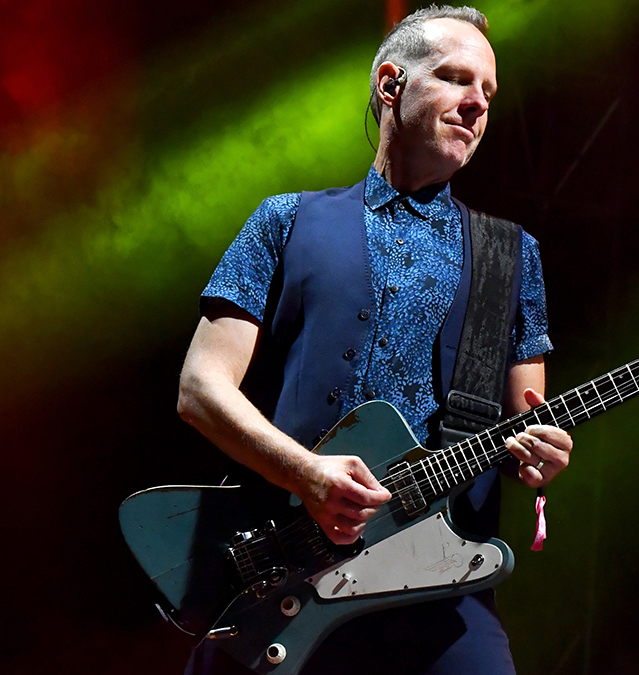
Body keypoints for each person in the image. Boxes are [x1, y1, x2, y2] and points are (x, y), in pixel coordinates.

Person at [177, 5, 573, 673]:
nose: (478, 103)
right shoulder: (285, 221)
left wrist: (542, 454)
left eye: (489, 92)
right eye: (455, 78)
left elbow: (526, 426)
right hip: (285, 571)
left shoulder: (513, 255)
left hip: (445, 595)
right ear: (390, 84)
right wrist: (304, 473)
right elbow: (199, 388)